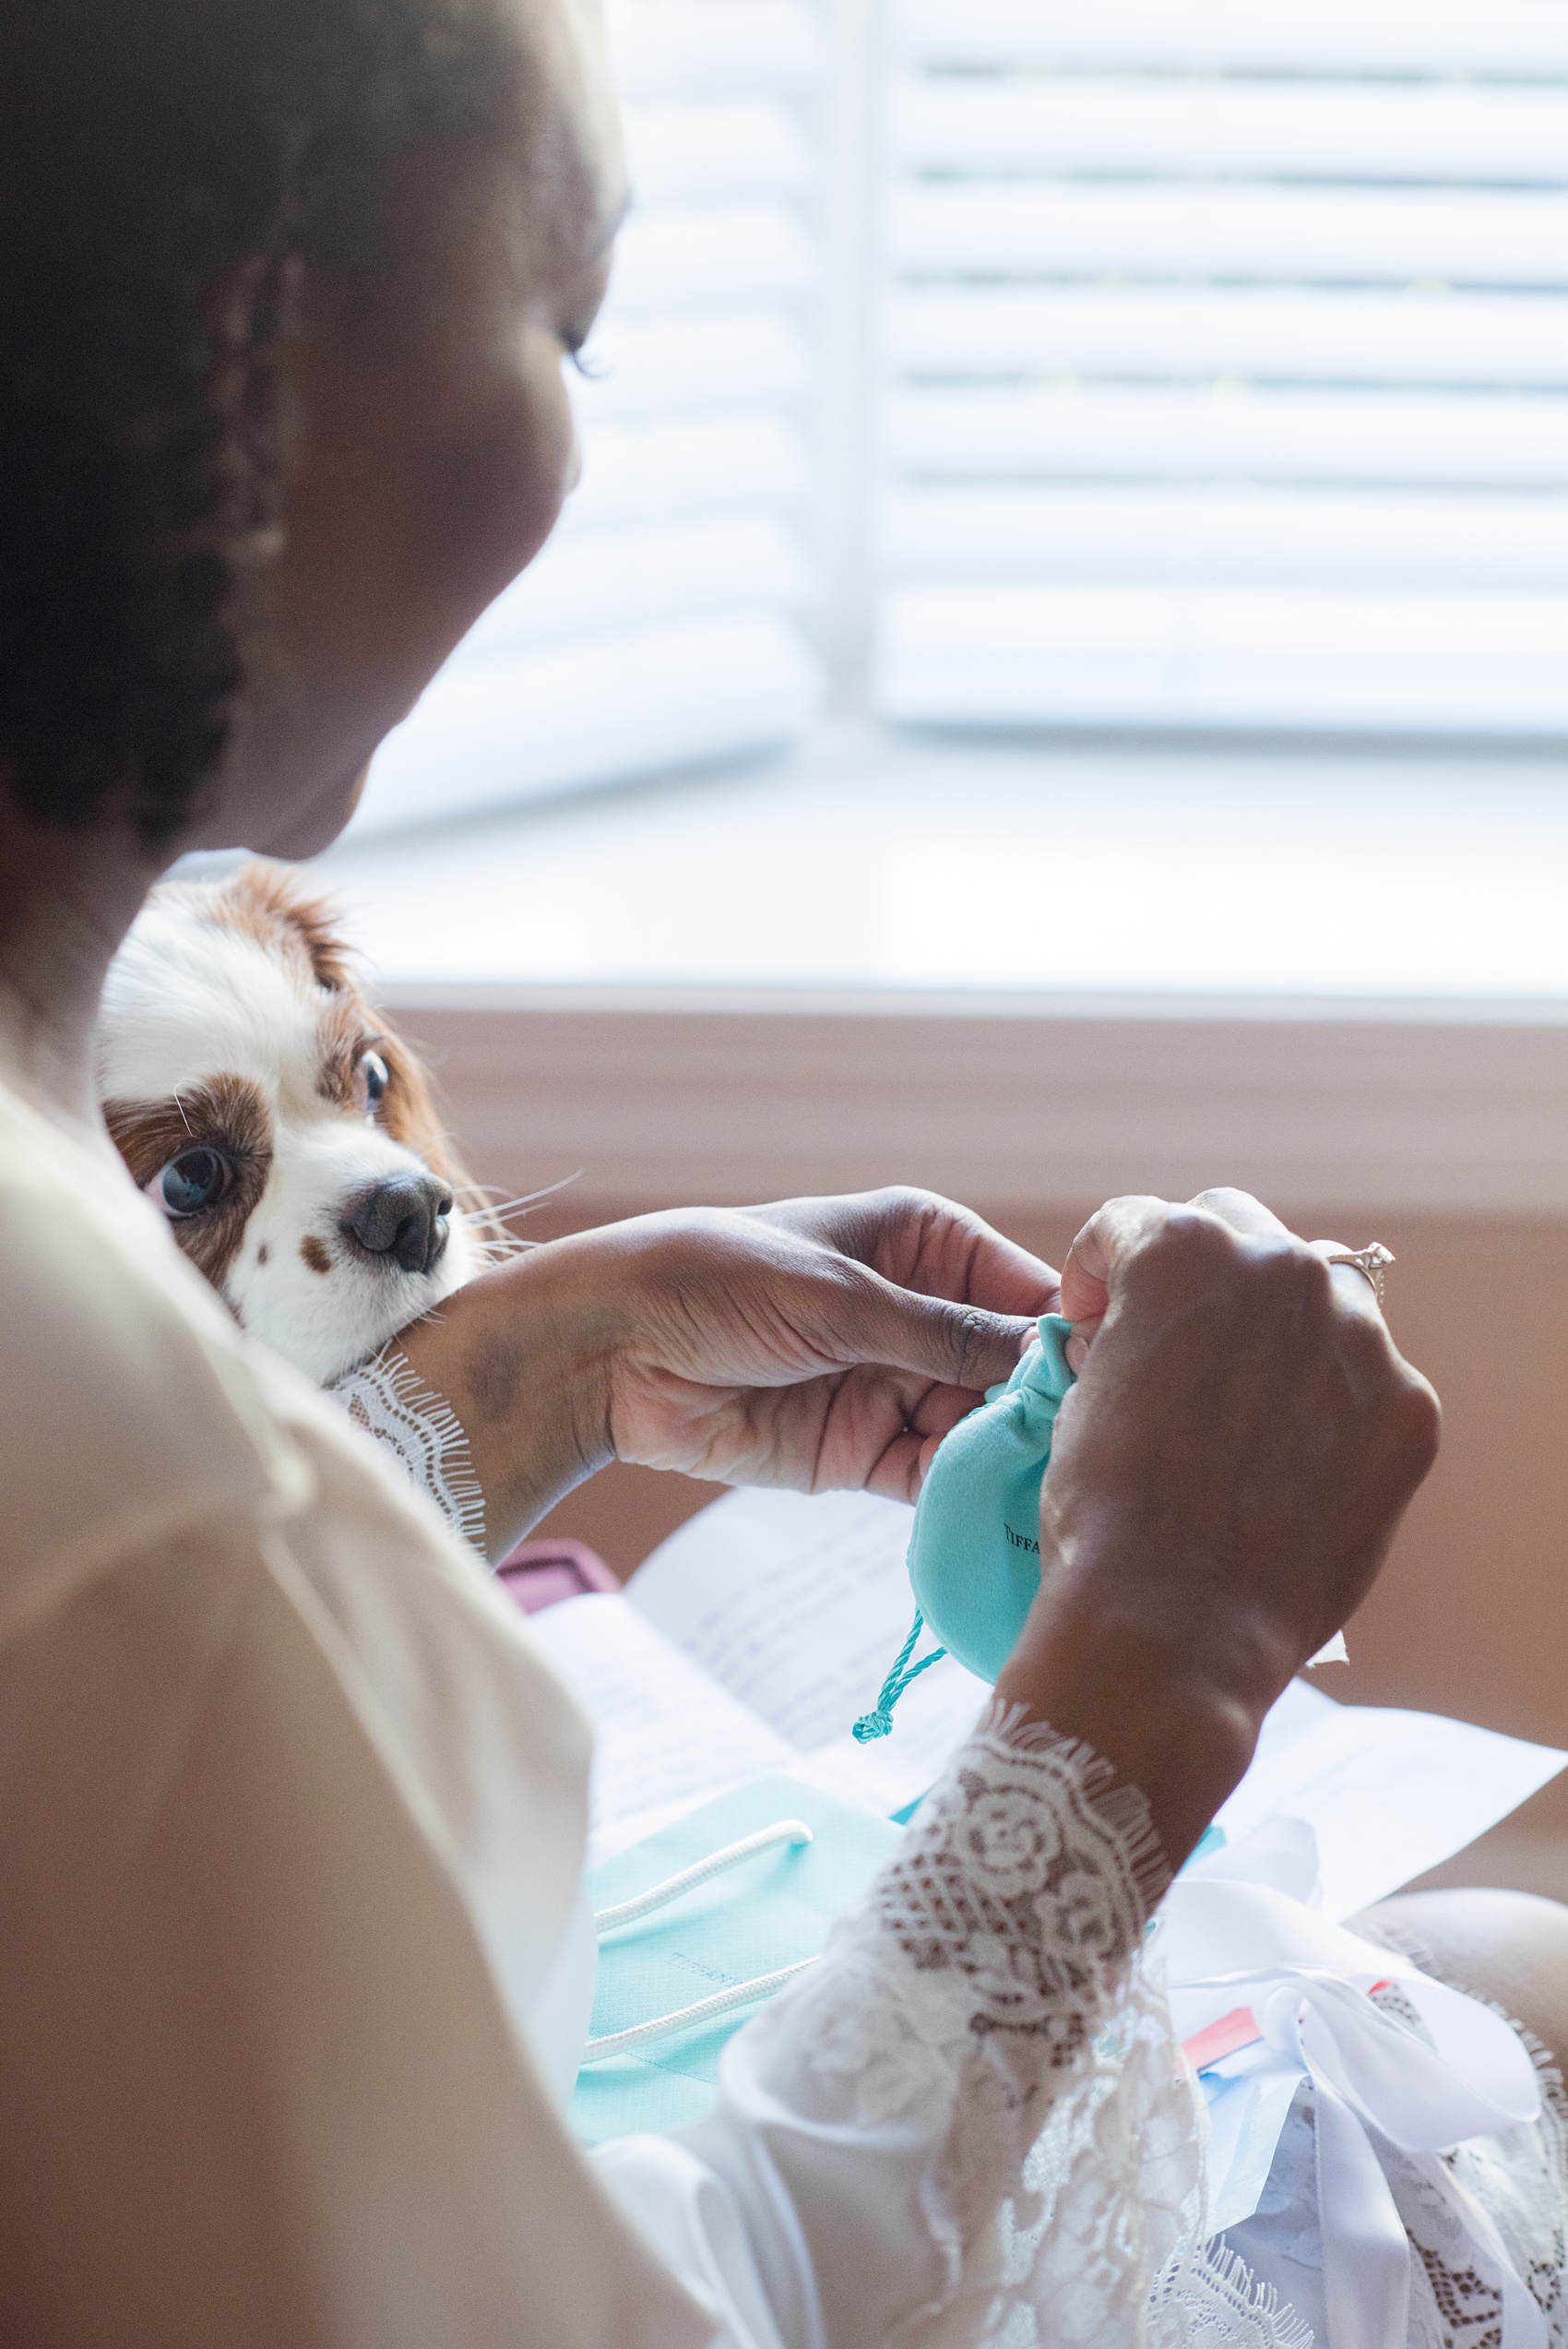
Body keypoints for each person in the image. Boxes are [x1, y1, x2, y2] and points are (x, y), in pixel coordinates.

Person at [0, 1, 1563, 2343]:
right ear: (245, 369)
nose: (564, 472)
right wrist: (1158, 1668)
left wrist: (528, 1371)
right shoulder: (130, 1517)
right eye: (571, 329)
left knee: (1475, 1971)